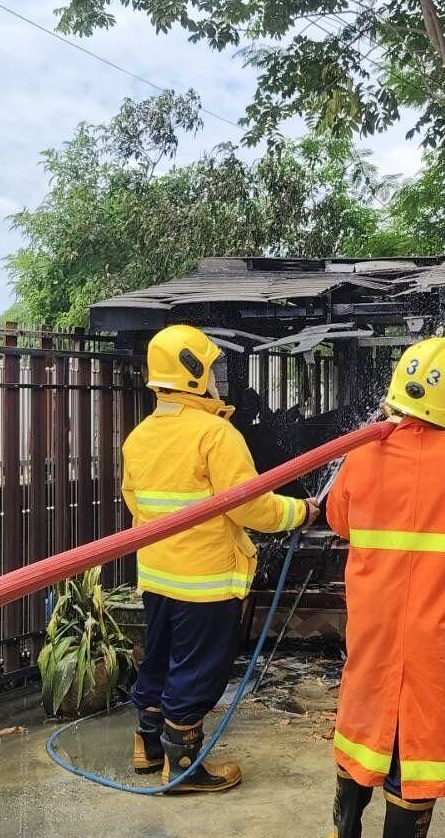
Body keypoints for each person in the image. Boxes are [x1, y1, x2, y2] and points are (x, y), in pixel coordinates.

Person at [121, 324, 315, 793]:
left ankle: (147, 749)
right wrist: (300, 512)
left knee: (160, 660)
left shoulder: (140, 436)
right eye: (211, 368)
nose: (216, 377)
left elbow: (135, 502)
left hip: (157, 577)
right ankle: (185, 766)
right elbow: (250, 505)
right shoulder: (215, 434)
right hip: (205, 580)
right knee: (197, 670)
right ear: (194, 374)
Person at [324, 337, 445, 838]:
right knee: (419, 744)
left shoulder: (361, 456)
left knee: (364, 720)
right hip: (437, 637)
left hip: (373, 626)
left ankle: (346, 821)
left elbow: (339, 520)